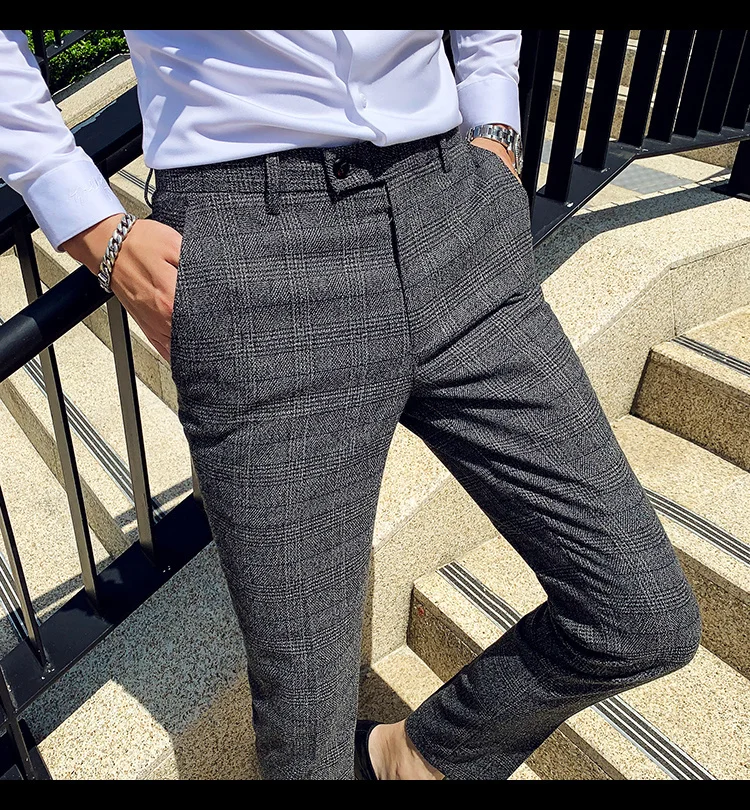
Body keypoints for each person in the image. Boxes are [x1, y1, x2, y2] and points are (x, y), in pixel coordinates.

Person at [0, 29, 701, 781]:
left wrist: (494, 122)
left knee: (641, 613)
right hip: (255, 257)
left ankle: (408, 756)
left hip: (456, 217)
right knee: (308, 743)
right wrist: (94, 228)